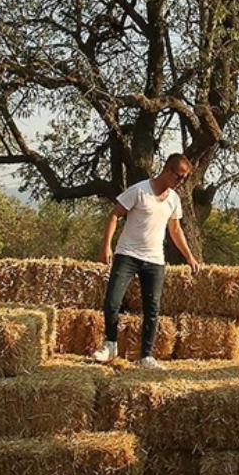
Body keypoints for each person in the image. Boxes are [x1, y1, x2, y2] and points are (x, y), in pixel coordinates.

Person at [93, 154, 201, 369]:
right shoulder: (139, 190)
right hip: (127, 254)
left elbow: (175, 229)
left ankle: (146, 356)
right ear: (168, 171)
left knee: (152, 308)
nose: (180, 182)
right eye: (179, 177)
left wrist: (189, 256)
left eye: (184, 178)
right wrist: (106, 246)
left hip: (154, 259)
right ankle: (110, 343)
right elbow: (114, 215)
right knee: (113, 301)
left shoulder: (173, 199)